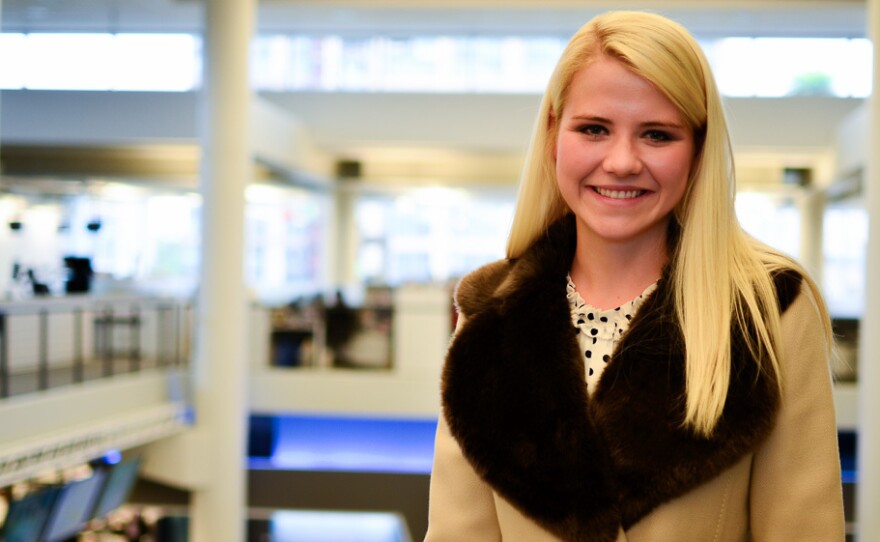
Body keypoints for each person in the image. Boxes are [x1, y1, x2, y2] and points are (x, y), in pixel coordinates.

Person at [424, 10, 845, 542]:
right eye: (594, 129)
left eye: (657, 135)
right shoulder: (490, 317)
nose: (622, 162)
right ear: (555, 135)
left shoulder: (769, 312)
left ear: (697, 149)